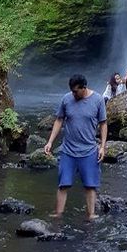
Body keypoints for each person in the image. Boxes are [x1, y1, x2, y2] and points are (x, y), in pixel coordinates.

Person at [44, 74, 107, 220]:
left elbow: (103, 124)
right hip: (68, 150)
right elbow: (59, 120)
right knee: (63, 184)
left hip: (89, 150)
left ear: (84, 88)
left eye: (76, 91)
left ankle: (91, 215)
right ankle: (58, 214)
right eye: (72, 91)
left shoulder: (98, 100)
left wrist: (103, 146)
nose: (73, 94)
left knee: (90, 186)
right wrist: (50, 142)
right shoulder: (66, 99)